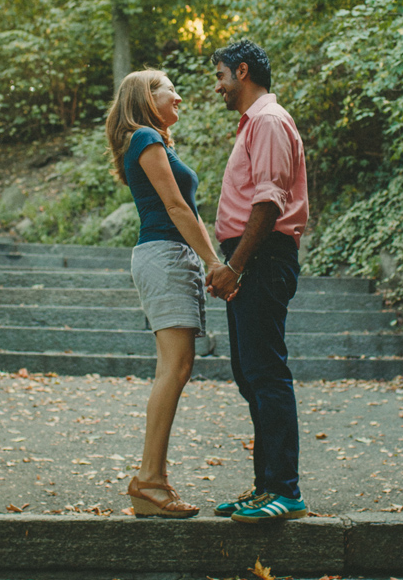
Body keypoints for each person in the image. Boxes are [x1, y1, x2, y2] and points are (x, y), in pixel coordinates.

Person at [106, 68, 228, 518]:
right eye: (169, 90)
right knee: (173, 368)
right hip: (163, 253)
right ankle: (149, 480)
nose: (179, 97)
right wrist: (215, 264)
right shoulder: (144, 139)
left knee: (176, 367)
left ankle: (151, 480)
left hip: (173, 254)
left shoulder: (152, 141)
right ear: (145, 96)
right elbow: (176, 207)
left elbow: (188, 210)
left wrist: (212, 262)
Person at [205, 38, 309, 523]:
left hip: (262, 257)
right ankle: (265, 485)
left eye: (221, 77)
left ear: (242, 72)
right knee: (250, 374)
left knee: (265, 372)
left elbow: (268, 203)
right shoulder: (257, 122)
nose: (218, 88)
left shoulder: (267, 121)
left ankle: (285, 491)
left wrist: (236, 266)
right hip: (252, 257)